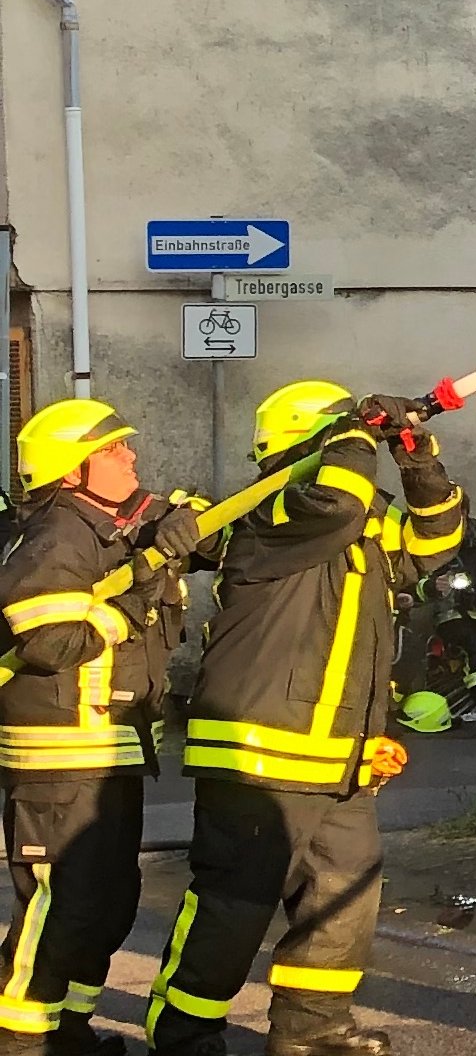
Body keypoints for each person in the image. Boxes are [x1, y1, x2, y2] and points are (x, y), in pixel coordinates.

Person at [148, 382, 464, 1056]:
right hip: (258, 750)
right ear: (310, 443)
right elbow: (338, 502)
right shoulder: (271, 510)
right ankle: (183, 1032)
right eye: (344, 433)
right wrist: (354, 431)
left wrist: (415, 456)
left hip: (336, 756)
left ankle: (312, 1032)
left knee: (344, 895)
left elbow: (438, 542)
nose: (358, 444)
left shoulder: (360, 515)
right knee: (236, 901)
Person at [0, 401, 206, 1056]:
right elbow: (50, 641)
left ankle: (69, 1030)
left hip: (109, 752)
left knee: (106, 903)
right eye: (114, 450)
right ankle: (20, 1040)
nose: (131, 457)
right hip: (61, 760)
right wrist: (140, 589)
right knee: (58, 909)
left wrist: (170, 536)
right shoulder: (57, 537)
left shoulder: (111, 532)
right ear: (72, 469)